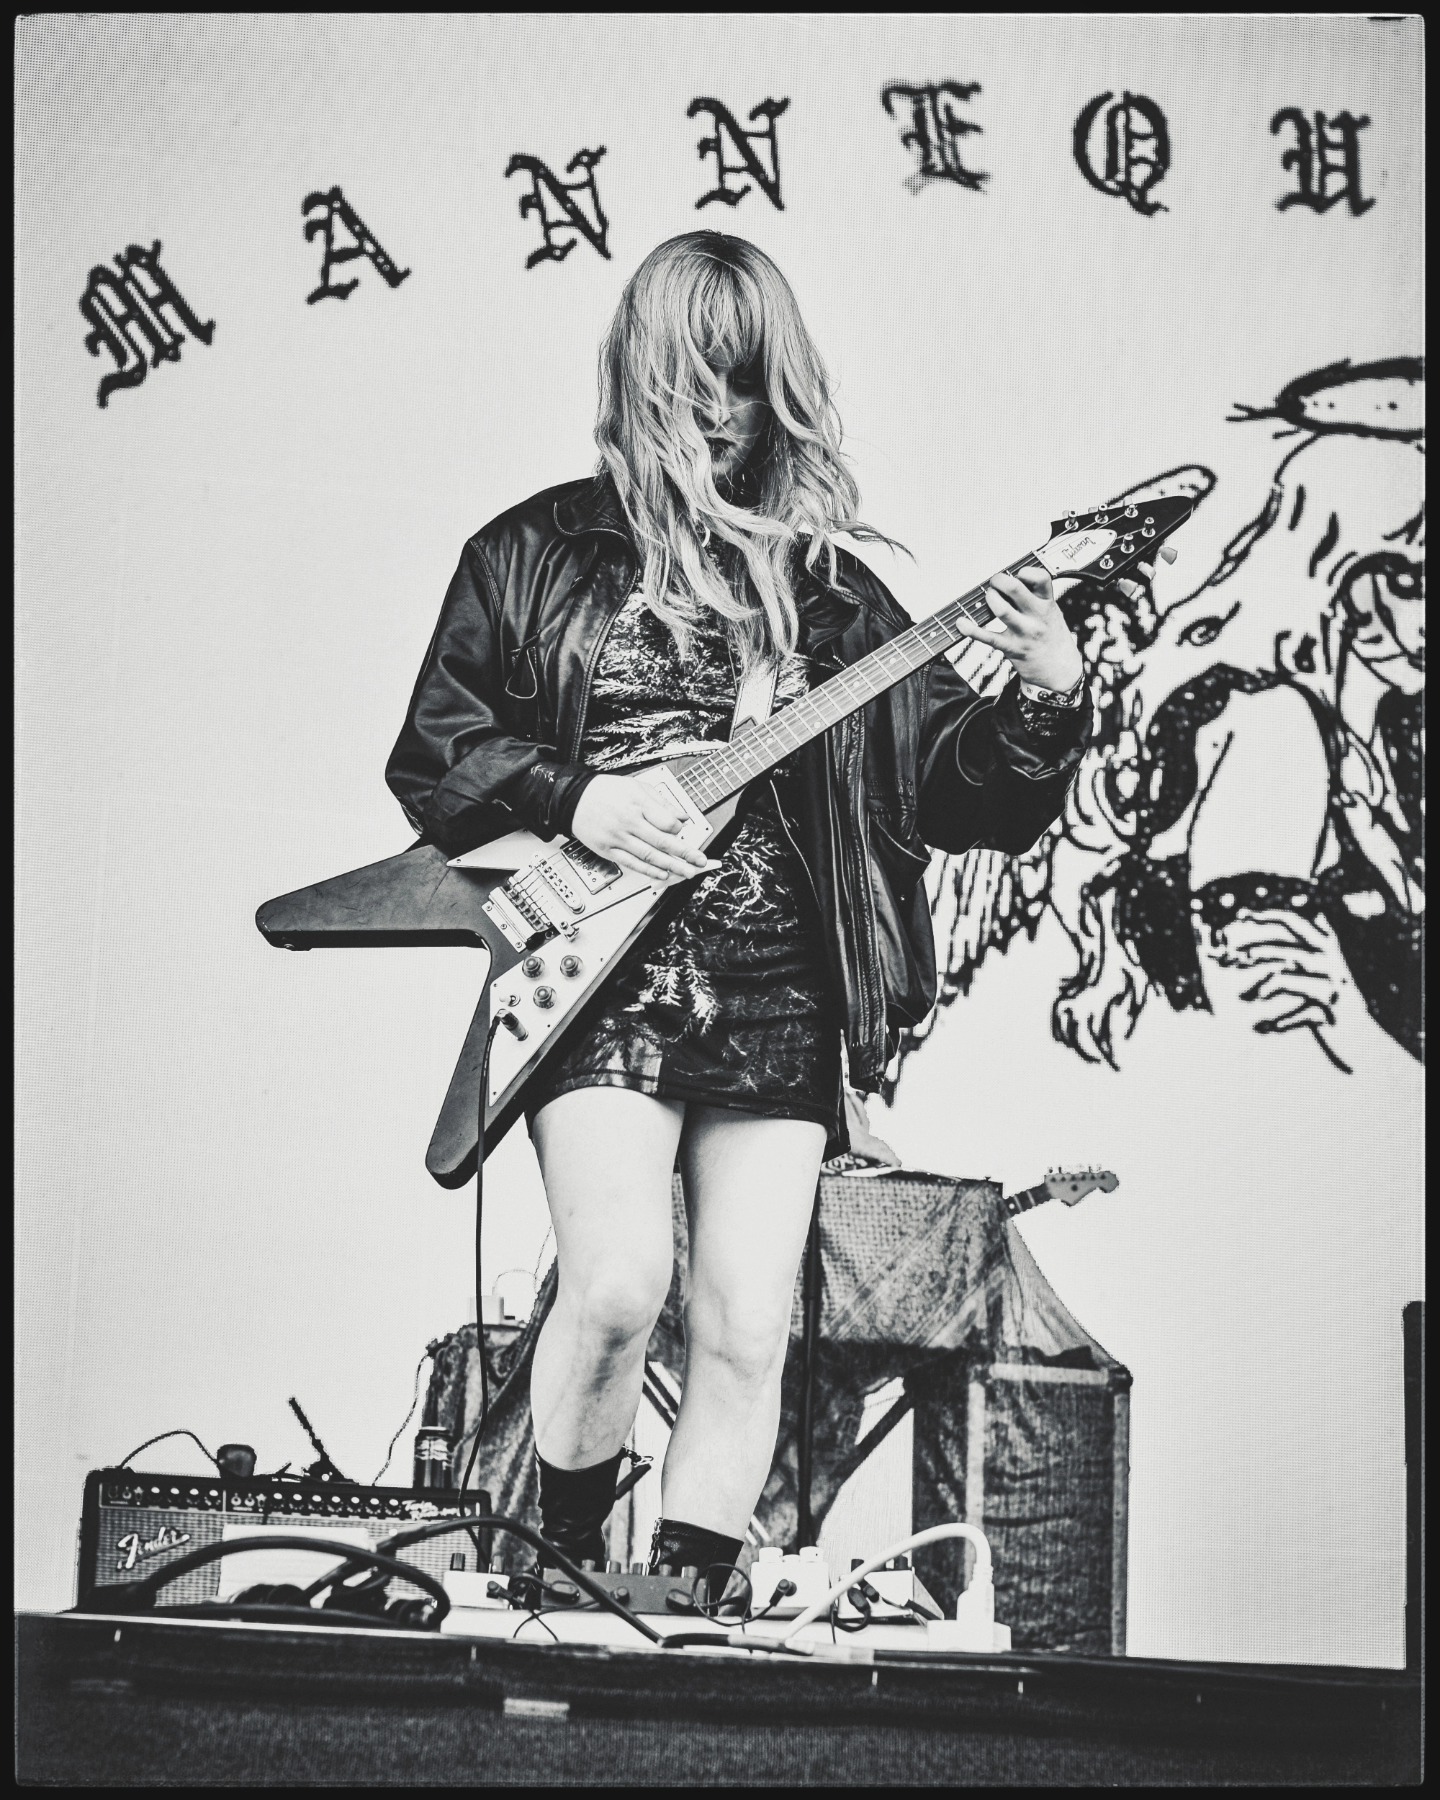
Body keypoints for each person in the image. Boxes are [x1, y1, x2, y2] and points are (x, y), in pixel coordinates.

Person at [385, 230, 1138, 1591]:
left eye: (745, 382)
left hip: (783, 989)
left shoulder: (837, 603)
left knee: (744, 1331)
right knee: (618, 1287)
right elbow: (436, 750)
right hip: (601, 983)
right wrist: (577, 798)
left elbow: (961, 795)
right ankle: (565, 1569)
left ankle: (679, 1599)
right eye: (696, 379)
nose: (720, 413)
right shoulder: (529, 553)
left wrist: (1046, 691)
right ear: (639, 375)